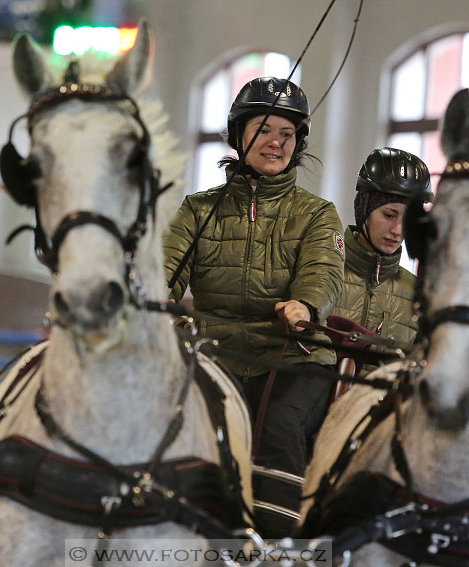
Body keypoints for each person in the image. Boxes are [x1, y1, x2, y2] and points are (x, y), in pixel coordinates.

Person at [163, 77, 345, 522]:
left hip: (293, 359)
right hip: (215, 356)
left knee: (279, 427)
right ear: (237, 135)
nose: (275, 142)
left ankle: (276, 543)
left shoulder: (318, 213)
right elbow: (164, 273)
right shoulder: (197, 210)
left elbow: (323, 272)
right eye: (264, 130)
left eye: (286, 134)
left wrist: (305, 304)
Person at [332, 147, 431, 367]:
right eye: (389, 215)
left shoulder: (417, 293)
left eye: (408, 220)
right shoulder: (322, 271)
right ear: (364, 210)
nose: (398, 230)